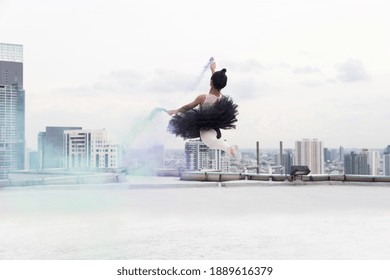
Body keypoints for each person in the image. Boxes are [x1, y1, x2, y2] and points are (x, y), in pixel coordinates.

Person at [167, 60, 239, 157]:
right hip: (215, 128)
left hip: (206, 128)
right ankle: (228, 148)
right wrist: (213, 69)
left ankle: (228, 148)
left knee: (209, 141)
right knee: (210, 140)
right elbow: (216, 82)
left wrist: (176, 111)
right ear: (223, 85)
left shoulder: (203, 98)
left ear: (210, 81)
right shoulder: (221, 97)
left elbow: (188, 107)